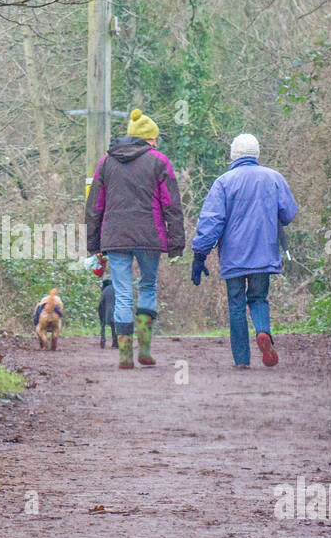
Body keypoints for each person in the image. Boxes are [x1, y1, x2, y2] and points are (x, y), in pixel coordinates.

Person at [86, 108, 185, 369]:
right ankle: (145, 349)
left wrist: (93, 245)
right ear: (148, 138)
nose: (156, 142)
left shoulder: (106, 163)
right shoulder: (159, 161)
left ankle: (125, 355)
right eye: (155, 138)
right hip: (149, 236)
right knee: (148, 287)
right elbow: (171, 205)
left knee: (122, 294)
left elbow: (95, 206)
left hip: (115, 236)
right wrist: (176, 242)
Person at [190, 133, 298, 368]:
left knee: (236, 304)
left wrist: (200, 255)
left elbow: (212, 221)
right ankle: (263, 333)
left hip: (234, 258)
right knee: (259, 298)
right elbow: (288, 213)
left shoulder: (223, 182)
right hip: (264, 253)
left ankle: (241, 360)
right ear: (256, 153)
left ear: (233, 155)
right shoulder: (274, 178)